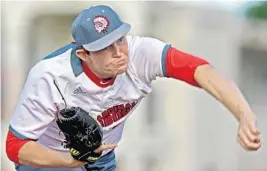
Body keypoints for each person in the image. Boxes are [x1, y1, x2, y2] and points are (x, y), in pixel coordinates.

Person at [6, 4, 262, 171]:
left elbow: (200, 70)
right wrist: (69, 161)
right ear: (84, 54)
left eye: (120, 40)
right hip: (47, 161)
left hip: (101, 159)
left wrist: (243, 112)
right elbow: (15, 147)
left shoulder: (140, 53)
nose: (119, 52)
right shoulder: (49, 76)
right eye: (106, 47)